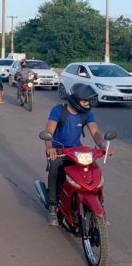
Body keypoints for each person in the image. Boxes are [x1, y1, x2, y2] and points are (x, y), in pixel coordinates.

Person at [43, 83, 113, 226]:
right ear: (75, 99)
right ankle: (52, 206)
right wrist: (50, 147)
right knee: (55, 169)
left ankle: (100, 206)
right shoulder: (58, 110)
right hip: (59, 151)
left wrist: (103, 145)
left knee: (94, 171)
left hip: (77, 151)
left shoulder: (87, 113)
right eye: (85, 101)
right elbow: (49, 130)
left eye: (89, 101)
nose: (87, 104)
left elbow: (95, 132)